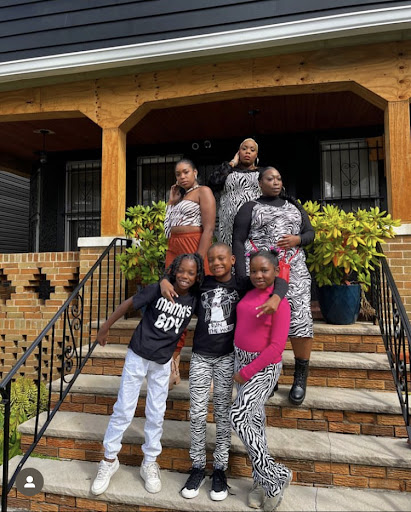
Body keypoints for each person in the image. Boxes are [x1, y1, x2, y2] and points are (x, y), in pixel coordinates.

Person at [160, 243, 288, 502]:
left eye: (222, 258)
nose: (217, 263)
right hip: (201, 356)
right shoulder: (203, 283)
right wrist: (164, 279)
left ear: (232, 260)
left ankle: (220, 468)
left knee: (223, 413)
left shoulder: (243, 283)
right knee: (197, 412)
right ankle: (198, 466)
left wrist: (277, 296)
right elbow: (180, 277)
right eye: (212, 259)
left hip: (227, 358)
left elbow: (277, 278)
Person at [90, 253, 204, 497]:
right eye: (181, 270)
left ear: (197, 277)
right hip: (138, 355)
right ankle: (109, 460)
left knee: (156, 412)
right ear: (174, 270)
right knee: (124, 408)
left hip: (162, 363)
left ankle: (150, 461)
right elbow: (128, 304)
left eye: (191, 273)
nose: (185, 276)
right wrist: (105, 327)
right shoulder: (158, 289)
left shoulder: (195, 299)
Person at [232, 166, 314, 405]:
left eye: (279, 178)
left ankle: (300, 377)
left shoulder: (294, 205)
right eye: (270, 178)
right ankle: (269, 375)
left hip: (293, 270)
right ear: (260, 183)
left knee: (301, 320)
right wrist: (242, 276)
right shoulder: (249, 207)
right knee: (261, 320)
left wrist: (298, 239)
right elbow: (238, 240)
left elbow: (310, 234)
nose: (276, 182)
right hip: (260, 272)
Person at [230, 249, 292, 512]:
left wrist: (246, 372)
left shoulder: (280, 303)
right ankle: (260, 481)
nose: (258, 275)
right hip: (240, 360)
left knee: (238, 416)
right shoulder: (248, 291)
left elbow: (277, 347)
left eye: (264, 270)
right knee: (254, 424)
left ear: (276, 272)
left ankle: (275, 477)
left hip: (262, 368)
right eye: (254, 270)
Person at [164, 158, 216, 388]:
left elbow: (209, 228)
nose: (182, 176)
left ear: (195, 172)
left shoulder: (204, 191)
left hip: (193, 245)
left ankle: (210, 369)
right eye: (178, 174)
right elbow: (167, 230)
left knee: (204, 309)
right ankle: (173, 366)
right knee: (175, 306)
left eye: (186, 172)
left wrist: (198, 260)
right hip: (174, 248)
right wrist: (171, 202)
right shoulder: (179, 199)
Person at [208, 138, 260, 247]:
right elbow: (213, 183)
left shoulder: (263, 173)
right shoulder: (228, 171)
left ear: (256, 155)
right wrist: (232, 163)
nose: (248, 152)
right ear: (238, 152)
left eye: (252, 150)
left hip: (255, 224)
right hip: (229, 226)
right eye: (244, 149)